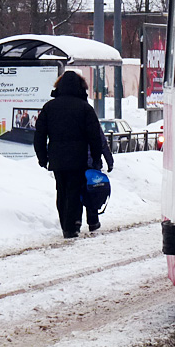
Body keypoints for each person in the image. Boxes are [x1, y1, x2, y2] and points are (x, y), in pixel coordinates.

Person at [33, 71, 103, 239]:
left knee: (61, 189)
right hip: (78, 158)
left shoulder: (49, 107)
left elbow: (39, 134)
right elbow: (95, 136)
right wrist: (96, 158)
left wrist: (42, 157)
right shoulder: (85, 108)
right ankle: (71, 226)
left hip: (57, 158)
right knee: (74, 189)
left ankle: (66, 223)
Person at [84, 121, 114, 233]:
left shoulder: (71, 121)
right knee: (92, 192)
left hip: (76, 163)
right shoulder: (92, 121)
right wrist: (109, 161)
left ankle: (74, 223)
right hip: (92, 164)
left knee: (76, 192)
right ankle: (93, 221)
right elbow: (103, 143)